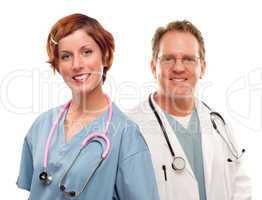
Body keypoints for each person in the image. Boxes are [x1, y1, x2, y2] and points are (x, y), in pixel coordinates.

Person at [16, 13, 160, 200]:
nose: (77, 64)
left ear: (106, 56)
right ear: (58, 66)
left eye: (86, 52)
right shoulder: (41, 125)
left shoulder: (126, 134)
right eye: (66, 56)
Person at [128, 20, 252, 199]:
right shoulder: (129, 128)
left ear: (202, 68)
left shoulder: (219, 124)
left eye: (188, 59)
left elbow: (241, 187)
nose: (178, 68)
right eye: (168, 59)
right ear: (153, 67)